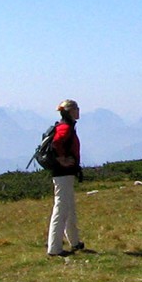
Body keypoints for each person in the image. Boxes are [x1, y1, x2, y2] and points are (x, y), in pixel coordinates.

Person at [45, 99, 85, 256]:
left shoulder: (65, 126)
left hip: (64, 173)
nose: (78, 111)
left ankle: (74, 242)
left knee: (69, 207)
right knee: (61, 209)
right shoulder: (65, 128)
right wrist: (62, 159)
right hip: (63, 173)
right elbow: (57, 143)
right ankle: (54, 248)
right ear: (70, 111)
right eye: (76, 108)